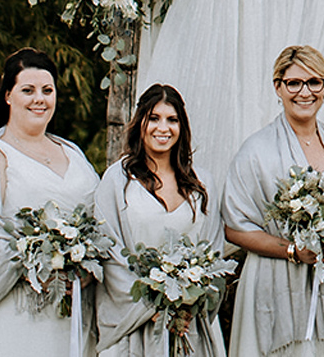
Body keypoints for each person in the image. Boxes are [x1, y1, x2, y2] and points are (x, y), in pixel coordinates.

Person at [0, 48, 102, 357]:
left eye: (47, 90)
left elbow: (101, 221)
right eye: (28, 90)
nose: (39, 99)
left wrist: (86, 263)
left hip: (69, 313)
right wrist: (38, 264)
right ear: (8, 95)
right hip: (8, 314)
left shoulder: (73, 153)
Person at [222, 45, 324, 357]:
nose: (305, 92)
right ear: (278, 87)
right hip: (276, 281)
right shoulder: (256, 151)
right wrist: (291, 250)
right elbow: (234, 228)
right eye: (294, 83)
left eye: (314, 82)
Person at [95, 84, 226, 357]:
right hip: (135, 320)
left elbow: (213, 251)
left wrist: (189, 299)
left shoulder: (202, 183)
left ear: (182, 127)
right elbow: (109, 251)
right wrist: (152, 304)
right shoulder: (118, 180)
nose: (162, 128)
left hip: (188, 323)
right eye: (153, 118)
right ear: (140, 121)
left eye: (172, 120)